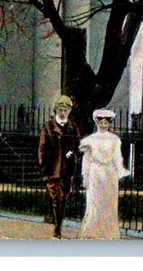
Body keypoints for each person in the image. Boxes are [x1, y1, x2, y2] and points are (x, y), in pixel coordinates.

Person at [77, 108, 131, 240]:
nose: (103, 125)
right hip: (95, 172)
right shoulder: (90, 139)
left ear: (109, 124)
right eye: (100, 123)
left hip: (109, 173)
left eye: (105, 123)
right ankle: (91, 232)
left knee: (108, 202)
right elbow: (87, 159)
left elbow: (118, 157)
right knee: (94, 201)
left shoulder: (114, 139)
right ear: (96, 123)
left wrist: (120, 171)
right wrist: (85, 176)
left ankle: (108, 232)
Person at [38, 94, 81, 238]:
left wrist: (69, 154)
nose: (63, 113)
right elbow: (42, 149)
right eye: (61, 109)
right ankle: (57, 229)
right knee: (57, 198)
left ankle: (58, 224)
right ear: (56, 110)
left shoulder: (73, 128)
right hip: (53, 170)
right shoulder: (49, 127)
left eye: (66, 110)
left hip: (67, 170)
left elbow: (76, 147)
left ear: (69, 112)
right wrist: (44, 169)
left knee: (64, 198)